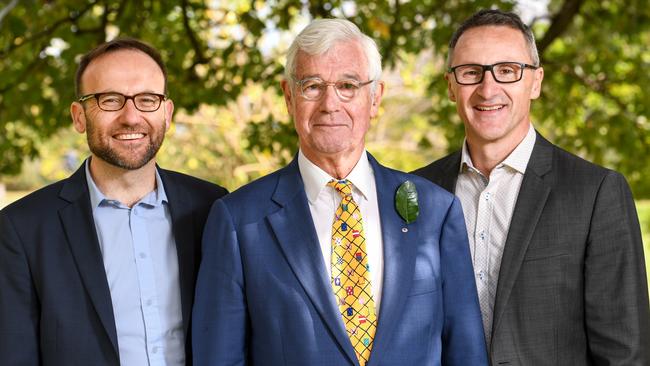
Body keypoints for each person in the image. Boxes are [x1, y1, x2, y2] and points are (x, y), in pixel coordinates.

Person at [191, 18, 487, 366]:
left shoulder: (436, 211)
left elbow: (466, 354)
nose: (330, 104)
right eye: (312, 86)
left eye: (348, 85)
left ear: (375, 98)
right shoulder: (238, 221)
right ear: (289, 97)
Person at [413, 9, 650, 365]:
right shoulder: (417, 191)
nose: (488, 88)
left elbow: (625, 353)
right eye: (471, 72)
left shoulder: (596, 193)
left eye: (507, 71)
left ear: (535, 82)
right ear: (451, 85)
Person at [0, 38, 228, 366]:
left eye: (147, 99)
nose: (131, 117)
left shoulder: (212, 207)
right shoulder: (23, 228)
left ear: (167, 112)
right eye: (110, 100)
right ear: (79, 116)